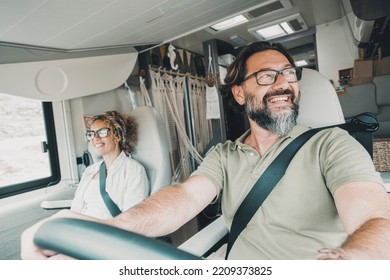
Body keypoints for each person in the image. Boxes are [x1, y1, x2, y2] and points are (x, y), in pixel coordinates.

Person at [21, 42, 390, 260]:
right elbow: (182, 198)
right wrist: (106, 228)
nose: (283, 83)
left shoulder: (331, 144)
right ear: (240, 94)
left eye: (289, 74)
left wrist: (349, 261)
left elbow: (377, 220)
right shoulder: (224, 155)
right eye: (266, 76)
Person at [71, 110, 150, 219]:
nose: (95, 139)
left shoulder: (134, 170)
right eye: (92, 134)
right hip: (81, 229)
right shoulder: (90, 170)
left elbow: (131, 219)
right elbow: (75, 209)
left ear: (117, 136)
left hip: (106, 231)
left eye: (102, 132)